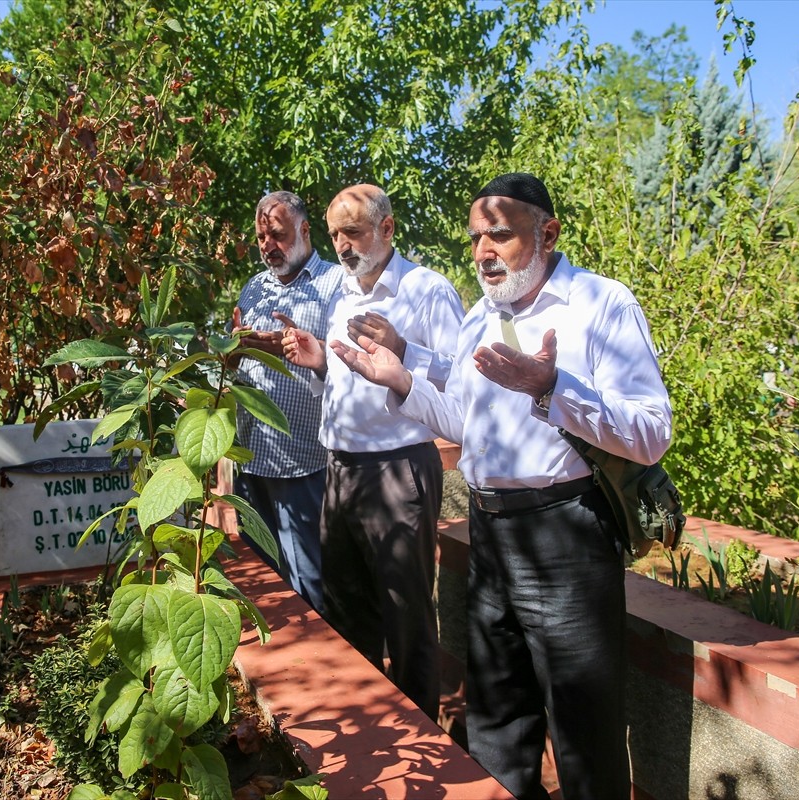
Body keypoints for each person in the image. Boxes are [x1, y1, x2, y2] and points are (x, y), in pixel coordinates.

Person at [329, 173, 672, 799]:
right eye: (476, 238)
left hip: (565, 535)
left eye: (501, 236)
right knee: (494, 727)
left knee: (584, 735)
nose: (484, 252)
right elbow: (465, 422)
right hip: (490, 539)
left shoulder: (600, 304)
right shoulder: (480, 318)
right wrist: (401, 381)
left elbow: (651, 432)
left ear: (548, 233)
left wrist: (552, 388)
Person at [281, 184, 463, 722]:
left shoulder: (427, 291)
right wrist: (318, 365)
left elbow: (464, 386)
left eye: (353, 232)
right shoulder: (340, 292)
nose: (342, 245)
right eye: (335, 234)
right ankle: (367, 731)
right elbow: (344, 388)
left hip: (397, 470)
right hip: (339, 469)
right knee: (345, 612)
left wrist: (407, 349)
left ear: (387, 228)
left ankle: (422, 736)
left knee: (406, 618)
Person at [230, 191, 343, 612]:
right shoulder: (253, 288)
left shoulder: (335, 285)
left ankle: (326, 674)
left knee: (309, 584)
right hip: (249, 458)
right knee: (262, 585)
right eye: (261, 237)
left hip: (305, 462)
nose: (267, 246)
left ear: (304, 230)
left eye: (276, 235)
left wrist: (297, 350)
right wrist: (231, 351)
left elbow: (351, 369)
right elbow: (236, 360)